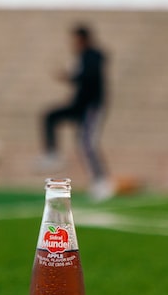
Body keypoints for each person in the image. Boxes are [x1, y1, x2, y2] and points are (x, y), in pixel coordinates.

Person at [39, 24, 113, 201]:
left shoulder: (93, 56)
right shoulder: (80, 58)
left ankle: (102, 181)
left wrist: (70, 77)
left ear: (83, 39)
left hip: (91, 107)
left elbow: (89, 77)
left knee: (87, 143)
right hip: (79, 106)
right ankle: (52, 154)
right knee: (50, 116)